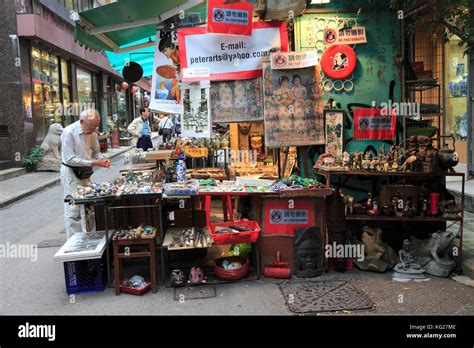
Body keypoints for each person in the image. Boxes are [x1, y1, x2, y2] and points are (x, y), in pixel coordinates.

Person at [61, 109, 110, 239]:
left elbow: (96, 151)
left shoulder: (92, 133)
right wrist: (94, 162)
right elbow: (69, 159)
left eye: (95, 127)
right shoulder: (69, 132)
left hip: (85, 172)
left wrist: (102, 158)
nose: (93, 130)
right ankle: (74, 242)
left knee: (90, 204)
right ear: (82, 121)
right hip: (71, 172)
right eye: (91, 127)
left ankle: (91, 238)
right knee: (73, 209)